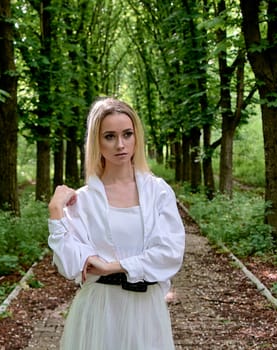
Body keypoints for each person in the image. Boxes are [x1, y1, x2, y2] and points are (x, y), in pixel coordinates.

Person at [47, 97, 185, 350]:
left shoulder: (159, 192)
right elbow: (69, 266)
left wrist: (113, 266)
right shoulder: (82, 200)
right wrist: (56, 213)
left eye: (127, 134)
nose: (120, 145)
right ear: (96, 142)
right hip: (99, 310)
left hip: (147, 311)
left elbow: (169, 254)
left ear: (136, 137)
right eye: (109, 136)